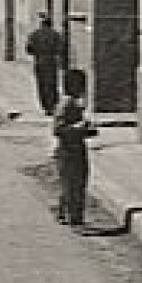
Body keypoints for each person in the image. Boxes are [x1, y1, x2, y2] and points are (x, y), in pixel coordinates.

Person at [53, 67, 97, 226]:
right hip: (68, 150)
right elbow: (58, 129)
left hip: (75, 147)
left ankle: (65, 213)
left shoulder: (73, 103)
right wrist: (80, 128)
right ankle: (74, 218)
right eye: (81, 86)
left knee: (73, 183)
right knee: (74, 184)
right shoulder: (66, 104)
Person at [24, 12, 66, 115]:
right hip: (52, 62)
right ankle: (53, 105)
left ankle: (46, 106)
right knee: (52, 84)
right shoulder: (56, 34)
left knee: (41, 84)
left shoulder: (34, 34)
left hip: (39, 61)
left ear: (41, 24)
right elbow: (61, 49)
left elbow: (29, 49)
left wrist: (37, 52)